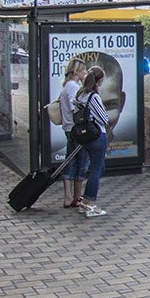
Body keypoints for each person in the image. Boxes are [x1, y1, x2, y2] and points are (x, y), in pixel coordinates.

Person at [76, 65, 111, 218]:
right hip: (97, 135)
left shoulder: (80, 95)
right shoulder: (93, 97)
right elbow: (104, 118)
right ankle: (90, 203)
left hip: (85, 136)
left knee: (95, 168)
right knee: (96, 170)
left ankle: (85, 201)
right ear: (99, 81)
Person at [58, 58, 89, 208]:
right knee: (80, 162)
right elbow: (74, 108)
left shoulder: (67, 85)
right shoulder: (73, 87)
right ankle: (73, 196)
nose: (85, 73)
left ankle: (72, 196)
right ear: (76, 71)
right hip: (76, 129)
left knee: (71, 160)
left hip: (69, 128)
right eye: (83, 70)